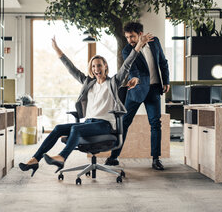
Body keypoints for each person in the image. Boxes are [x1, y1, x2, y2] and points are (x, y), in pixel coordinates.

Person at [19, 33, 154, 176]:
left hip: (104, 125)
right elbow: (71, 68)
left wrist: (139, 44)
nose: (97, 69)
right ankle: (35, 159)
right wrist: (57, 50)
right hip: (89, 123)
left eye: (99, 66)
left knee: (76, 129)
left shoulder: (113, 82)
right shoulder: (88, 83)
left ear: (105, 66)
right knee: (58, 128)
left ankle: (62, 157)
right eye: (94, 66)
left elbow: (127, 64)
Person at [105, 22, 170, 171]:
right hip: (136, 90)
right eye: (127, 37)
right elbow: (133, 69)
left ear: (140, 34)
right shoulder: (127, 50)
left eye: (132, 36)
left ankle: (156, 159)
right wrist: (135, 79)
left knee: (155, 124)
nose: (129, 40)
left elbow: (163, 62)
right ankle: (114, 156)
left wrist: (166, 81)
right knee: (124, 122)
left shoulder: (155, 42)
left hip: (154, 89)